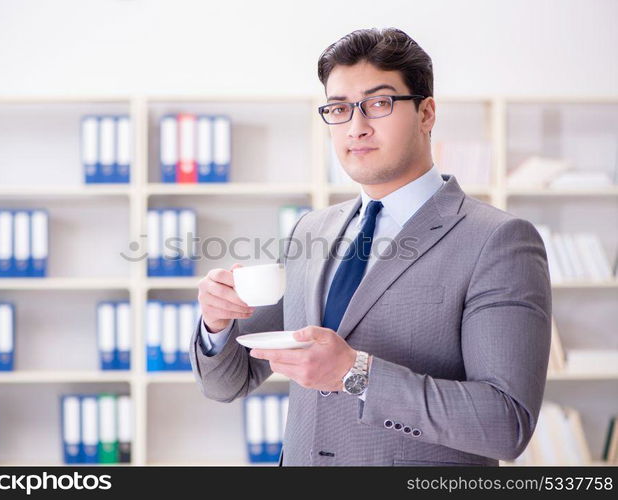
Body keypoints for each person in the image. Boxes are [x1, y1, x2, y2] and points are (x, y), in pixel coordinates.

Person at [190, 27, 551, 466]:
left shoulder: (498, 241)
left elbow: (505, 424)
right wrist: (216, 323)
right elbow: (229, 382)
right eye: (339, 109)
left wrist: (355, 373)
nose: (356, 128)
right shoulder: (311, 230)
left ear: (426, 113)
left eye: (378, 104)